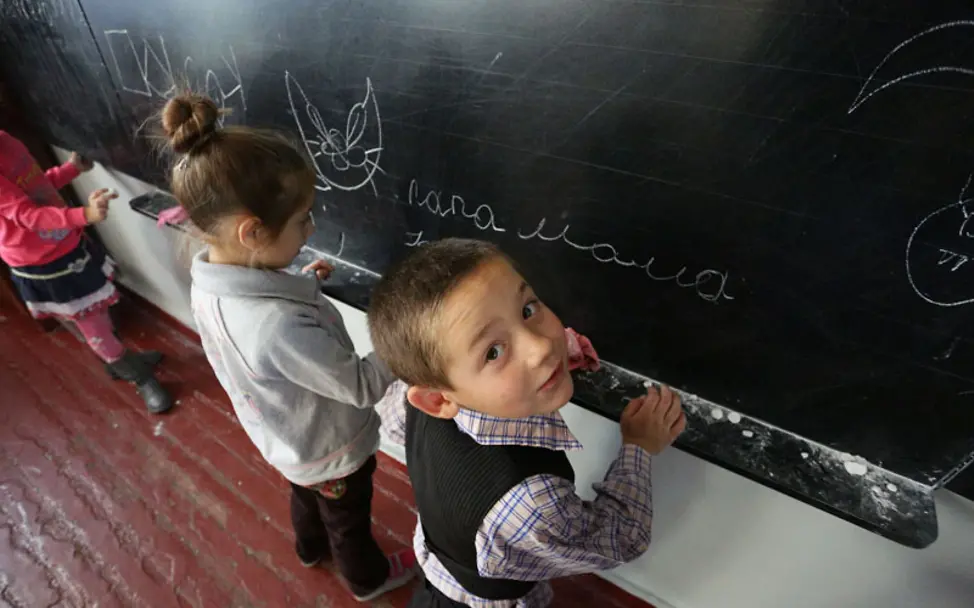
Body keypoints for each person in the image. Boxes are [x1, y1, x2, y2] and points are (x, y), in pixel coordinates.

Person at [159, 93, 414, 602]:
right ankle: (366, 579)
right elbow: (360, 385)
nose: (312, 229)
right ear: (251, 232)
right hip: (331, 450)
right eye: (303, 220)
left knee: (304, 496)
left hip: (284, 441)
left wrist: (299, 282)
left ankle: (307, 547)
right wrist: (402, 340)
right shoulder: (276, 326)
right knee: (347, 518)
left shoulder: (210, 279)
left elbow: (264, 320)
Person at [368, 238, 686, 607]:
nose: (541, 348)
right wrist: (639, 447)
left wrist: (560, 355)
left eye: (528, 309)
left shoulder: (420, 395)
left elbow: (390, 423)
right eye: (493, 352)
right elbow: (623, 537)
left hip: (443, 563)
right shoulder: (532, 501)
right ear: (437, 400)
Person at [0, 130, 171, 413]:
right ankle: (135, 374)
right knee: (93, 322)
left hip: (65, 243)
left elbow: (38, 189)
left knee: (98, 313)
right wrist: (85, 215)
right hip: (44, 263)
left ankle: (118, 361)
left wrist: (70, 170)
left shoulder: (7, 140)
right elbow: (29, 216)